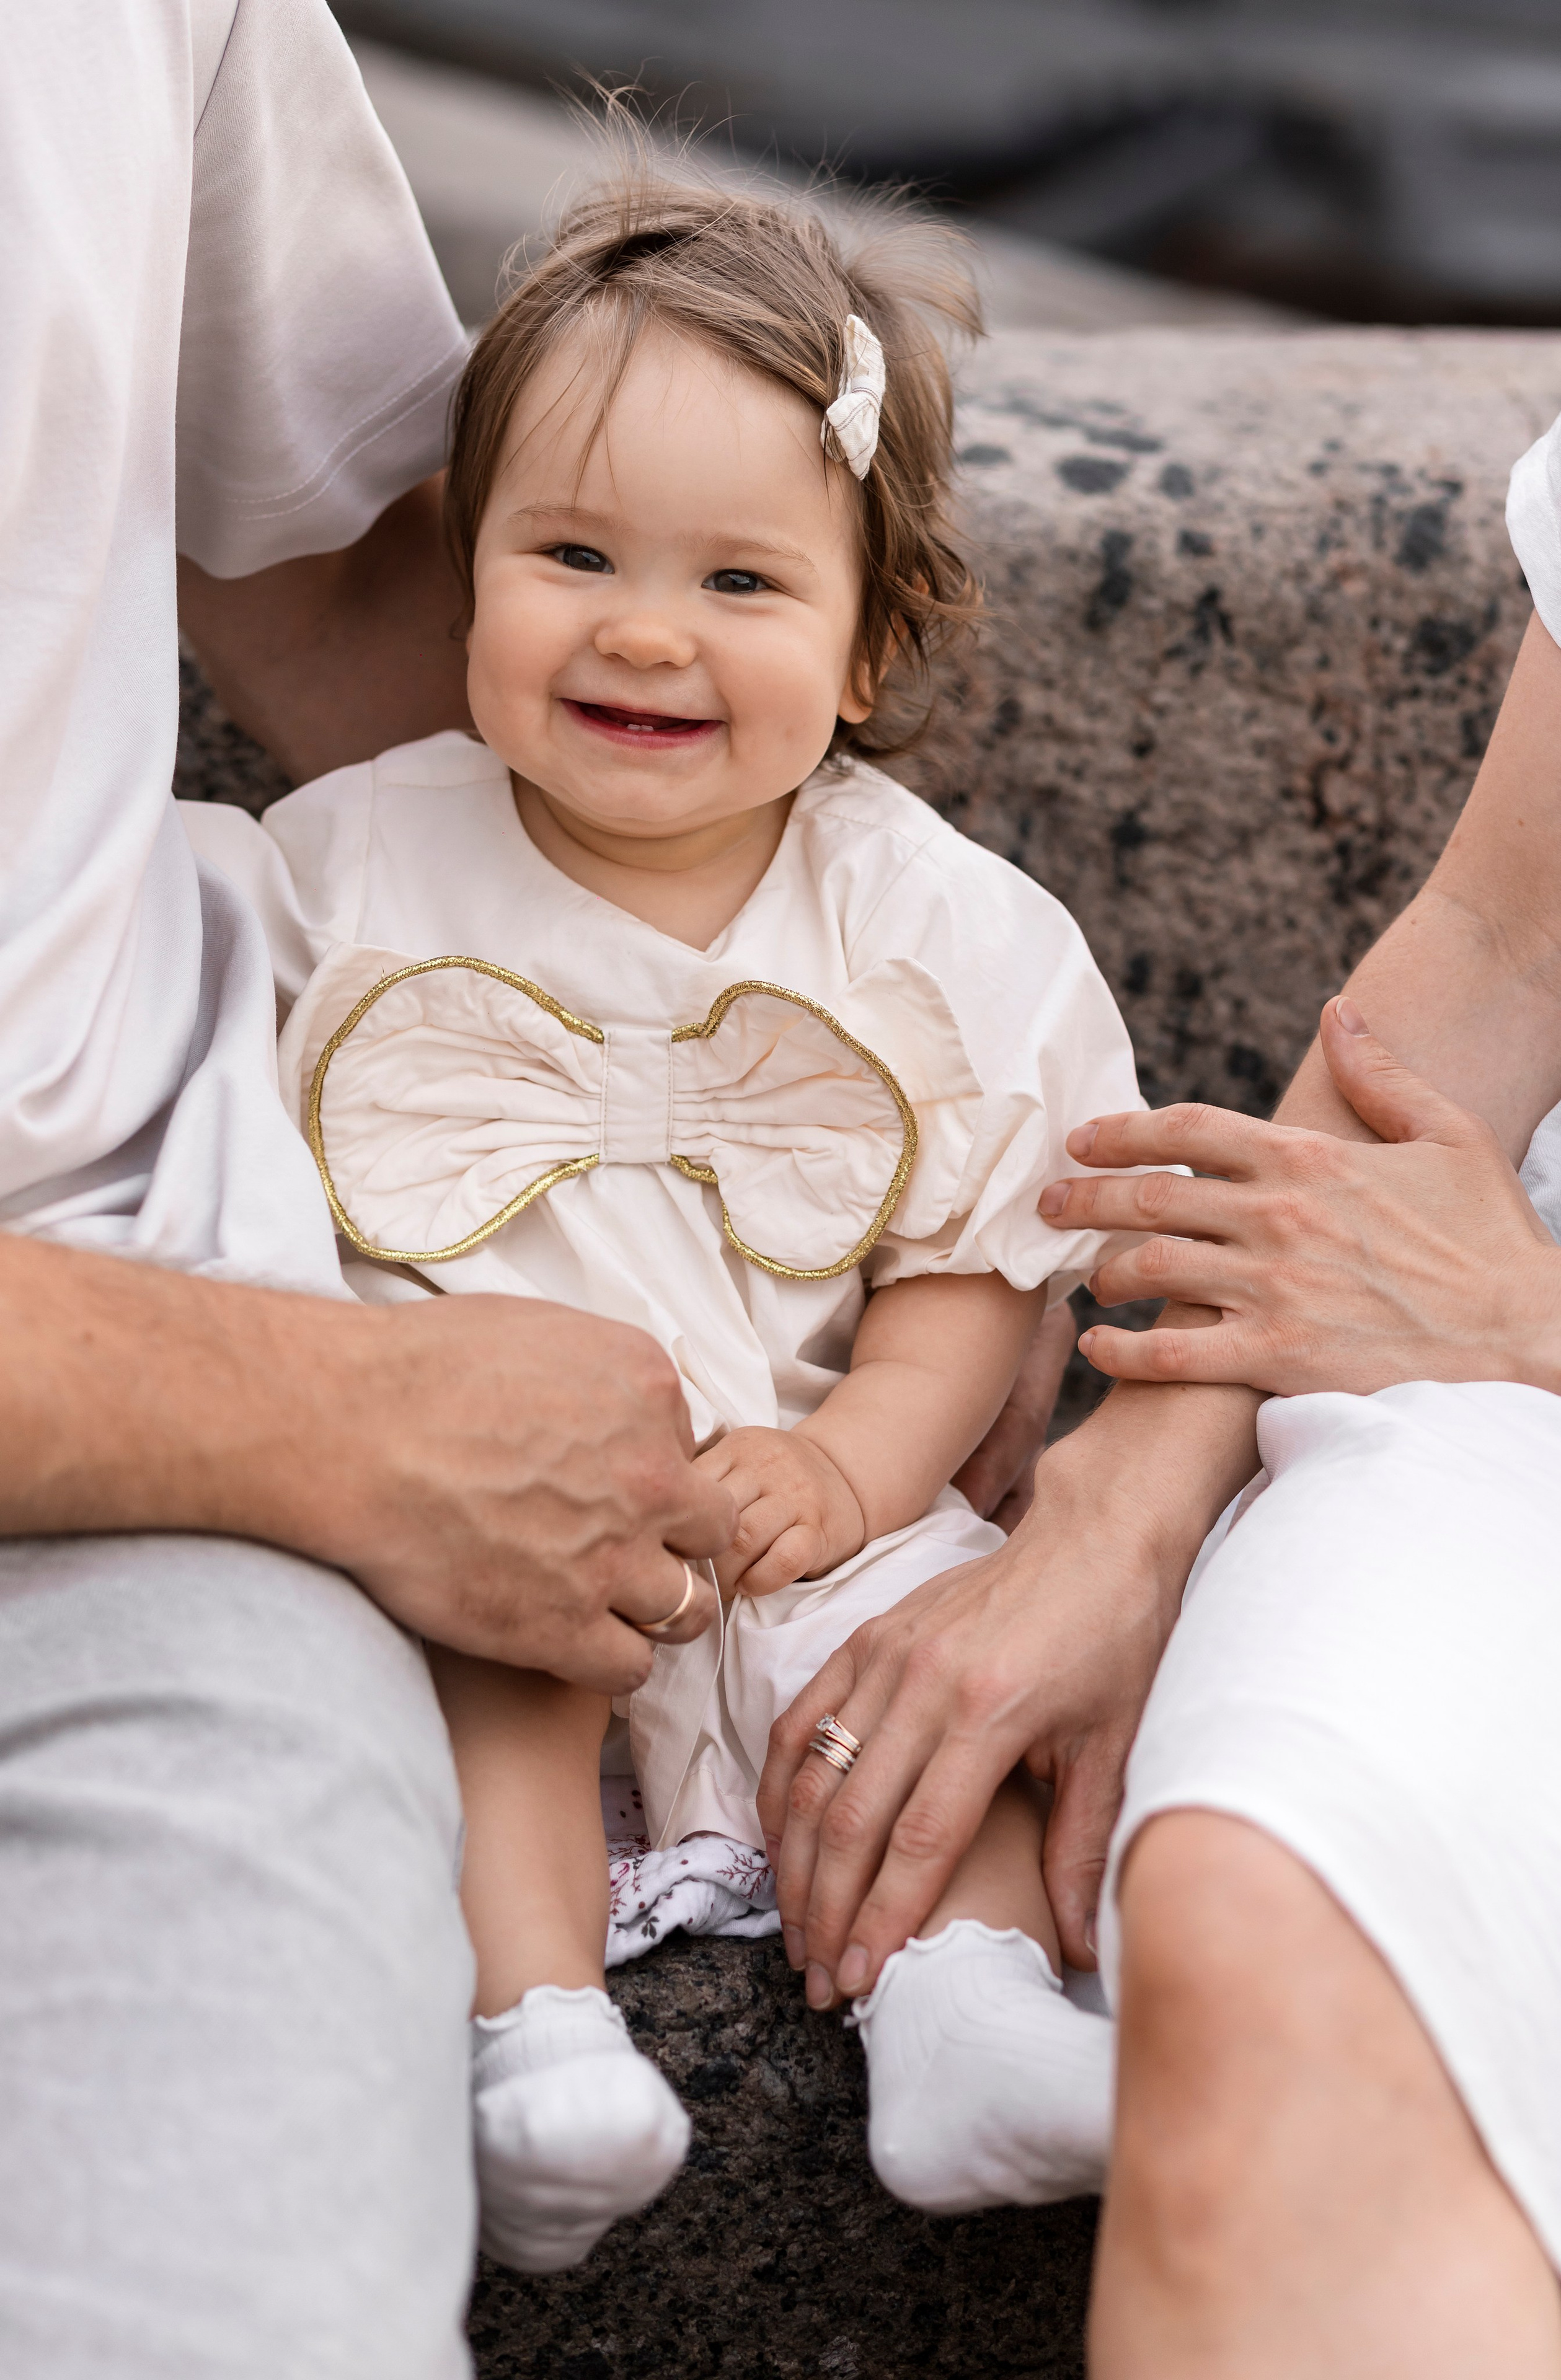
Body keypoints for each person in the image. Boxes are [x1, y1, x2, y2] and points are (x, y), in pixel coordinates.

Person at [183, 166, 1132, 2269]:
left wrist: (852, 1464)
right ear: (464, 572)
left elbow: (966, 1280)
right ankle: (536, 2039)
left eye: (741, 582)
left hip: (801, 1498)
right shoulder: (341, 869)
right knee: (480, 1665)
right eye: (574, 554)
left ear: (872, 637)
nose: (642, 628)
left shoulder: (932, 925)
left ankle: (965, 2004)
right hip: (484, 1493)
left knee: (922, 1663)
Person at [1, 8, 750, 2374]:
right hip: (213, 1417)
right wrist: (322, 1415)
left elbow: (354, 582)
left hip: (138, 1513)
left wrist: (847, 1128)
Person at [759, 338, 1561, 2369]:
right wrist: (1127, 1494)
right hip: (1516, 1380)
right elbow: (1519, 945)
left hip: (1541, 1324)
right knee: (1264, 1893)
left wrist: (1551, 1319)